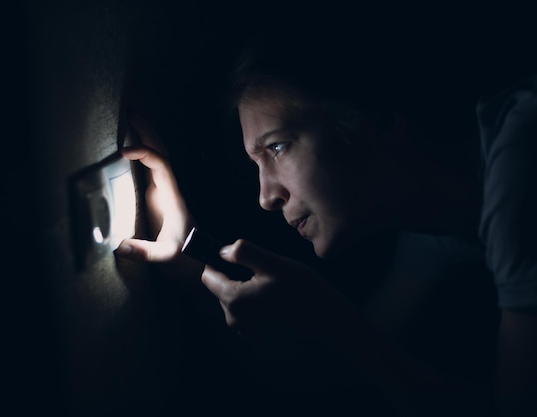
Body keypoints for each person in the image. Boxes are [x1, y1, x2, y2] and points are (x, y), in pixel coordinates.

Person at [117, 16, 537, 417]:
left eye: (278, 147)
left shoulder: (523, 162)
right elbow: (326, 373)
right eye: (256, 163)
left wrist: (329, 317)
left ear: (378, 116)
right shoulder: (435, 227)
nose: (266, 196)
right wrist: (186, 264)